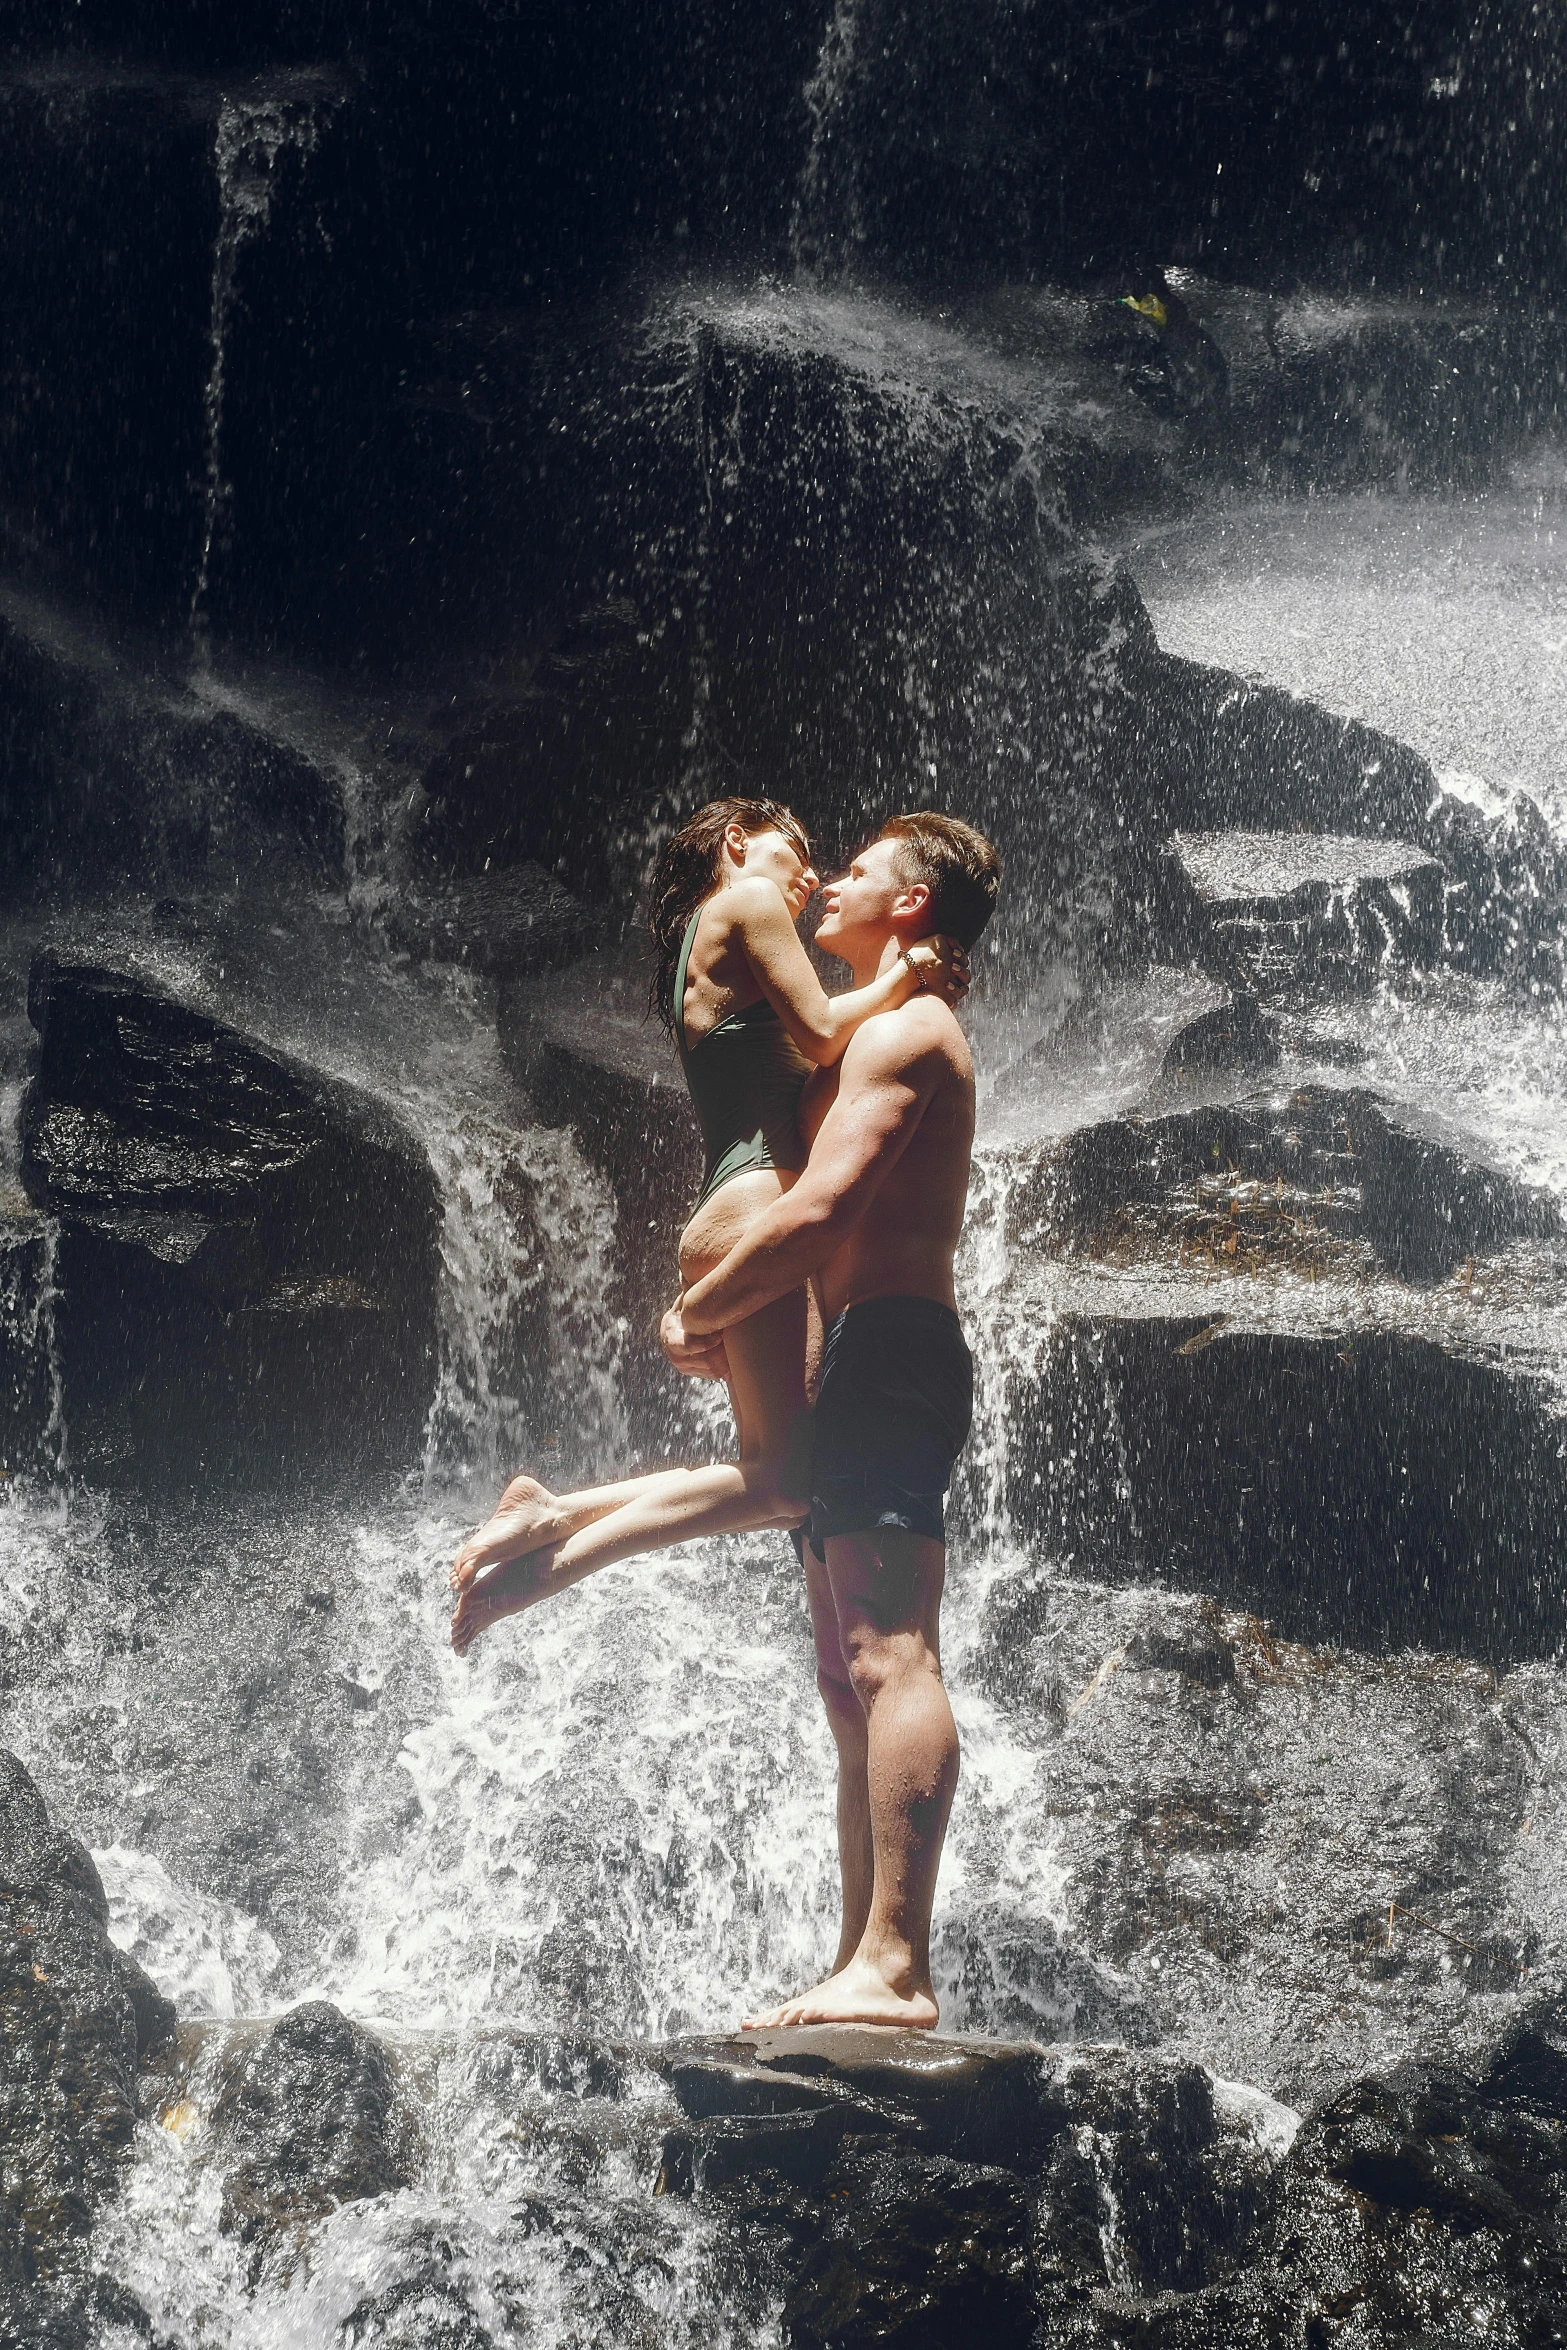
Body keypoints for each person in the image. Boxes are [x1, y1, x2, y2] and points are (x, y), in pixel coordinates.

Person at [448, 798, 967, 1652]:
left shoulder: (707, 937)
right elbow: (825, 1031)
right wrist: (907, 972)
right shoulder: (746, 902)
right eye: (792, 853)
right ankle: (542, 1569)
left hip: (734, 1203)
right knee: (781, 1485)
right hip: (759, 1202)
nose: (810, 877)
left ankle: (551, 1513)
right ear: (735, 845)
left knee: (780, 1475)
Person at [665, 812, 999, 2029]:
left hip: (897, 1351)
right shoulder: (872, 1024)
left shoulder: (908, 1032)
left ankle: (896, 1965)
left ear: (908, 905)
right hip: (867, 1354)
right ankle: (864, 1954)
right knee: (841, 1672)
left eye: (858, 870)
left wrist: (696, 1303)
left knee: (886, 1652)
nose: (832, 881)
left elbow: (821, 1209)